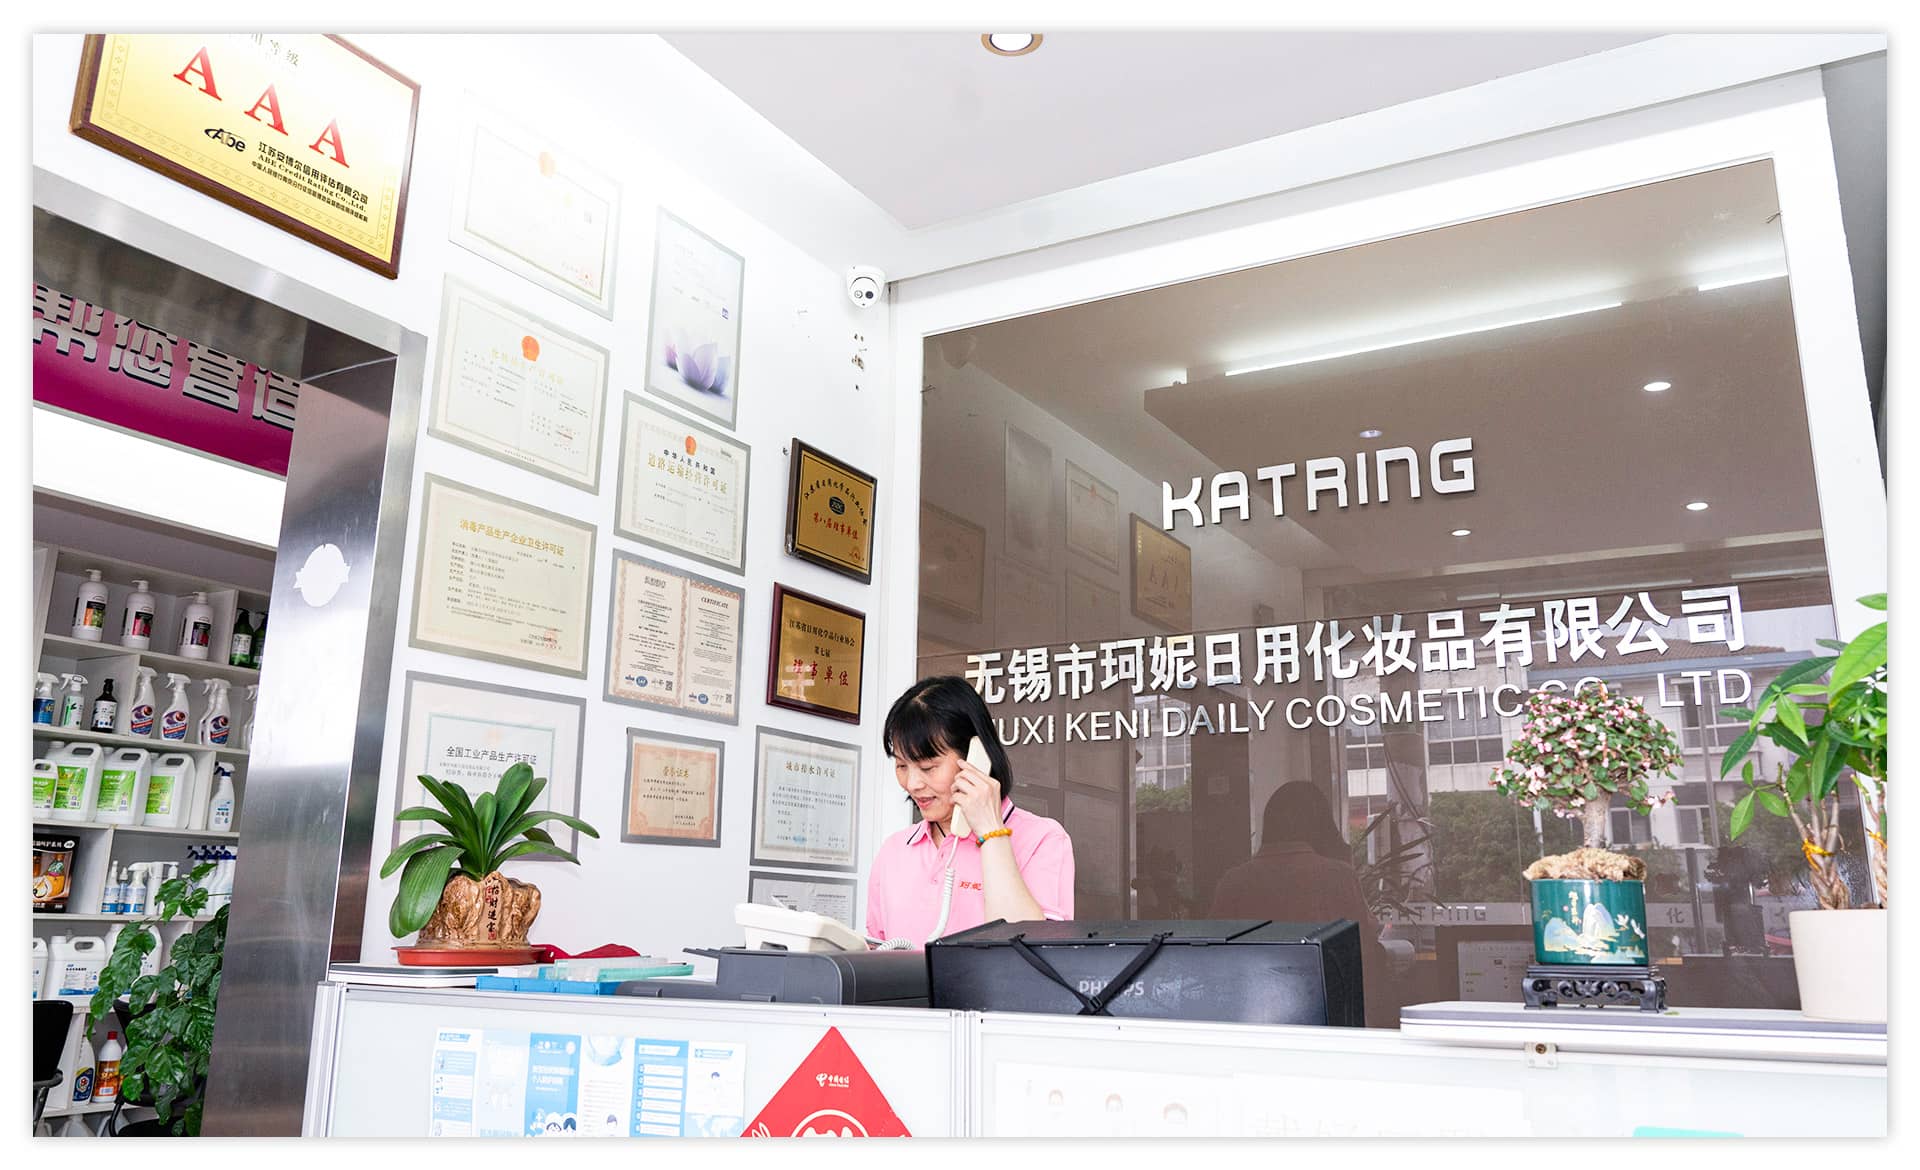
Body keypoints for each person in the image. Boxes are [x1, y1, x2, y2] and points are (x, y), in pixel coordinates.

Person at [865, 676, 1074, 946]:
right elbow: (876, 953)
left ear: (976, 757)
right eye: (902, 766)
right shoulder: (894, 851)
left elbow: (1031, 952)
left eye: (928, 767)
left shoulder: (1043, 839)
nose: (913, 784)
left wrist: (991, 832)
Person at [1207, 780, 1391, 1026]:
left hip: (1253, 1015)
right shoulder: (1338, 876)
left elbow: (1215, 956)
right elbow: (1362, 948)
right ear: (1323, 825)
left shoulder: (1234, 881)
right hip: (1326, 1014)